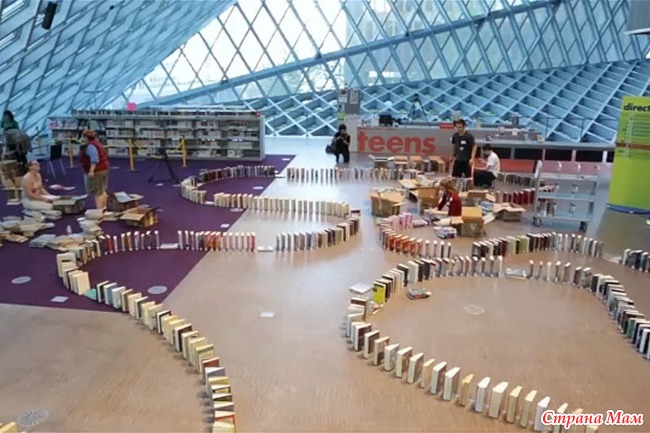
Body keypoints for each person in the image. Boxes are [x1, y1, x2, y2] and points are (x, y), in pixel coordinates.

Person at [79, 129, 110, 210]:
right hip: (104, 168)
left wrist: (91, 171)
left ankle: (99, 210)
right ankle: (104, 208)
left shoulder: (91, 146)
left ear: (86, 138)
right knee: (102, 190)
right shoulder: (97, 143)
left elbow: (94, 159)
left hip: (97, 171)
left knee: (97, 192)